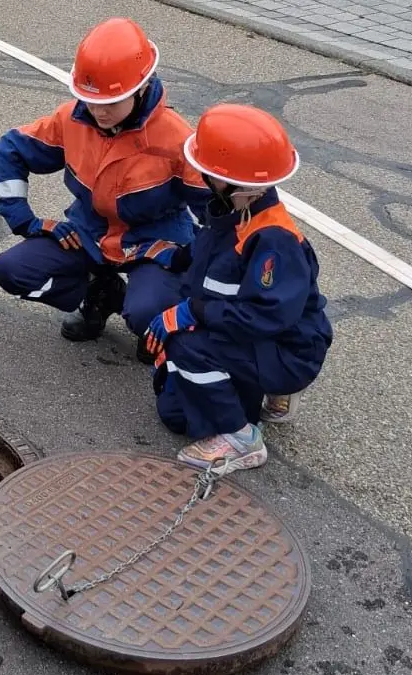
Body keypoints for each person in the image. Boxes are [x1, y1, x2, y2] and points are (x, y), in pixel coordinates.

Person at [0, 17, 211, 363]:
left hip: (156, 242)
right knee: (12, 271)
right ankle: (102, 293)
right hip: (89, 233)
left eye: (111, 102)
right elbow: (11, 150)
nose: (98, 112)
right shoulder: (72, 119)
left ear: (141, 88)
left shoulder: (177, 140)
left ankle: (156, 321)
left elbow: (219, 218)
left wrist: (190, 258)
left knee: (147, 313)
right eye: (90, 100)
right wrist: (25, 221)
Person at [146, 103, 333, 475]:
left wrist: (192, 313)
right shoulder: (232, 210)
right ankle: (255, 392)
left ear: (241, 184)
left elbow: (267, 316)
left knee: (186, 346)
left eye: (209, 173)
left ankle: (242, 439)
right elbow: (212, 259)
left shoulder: (274, 241)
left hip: (287, 349)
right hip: (255, 338)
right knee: (174, 414)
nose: (202, 177)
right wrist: (174, 257)